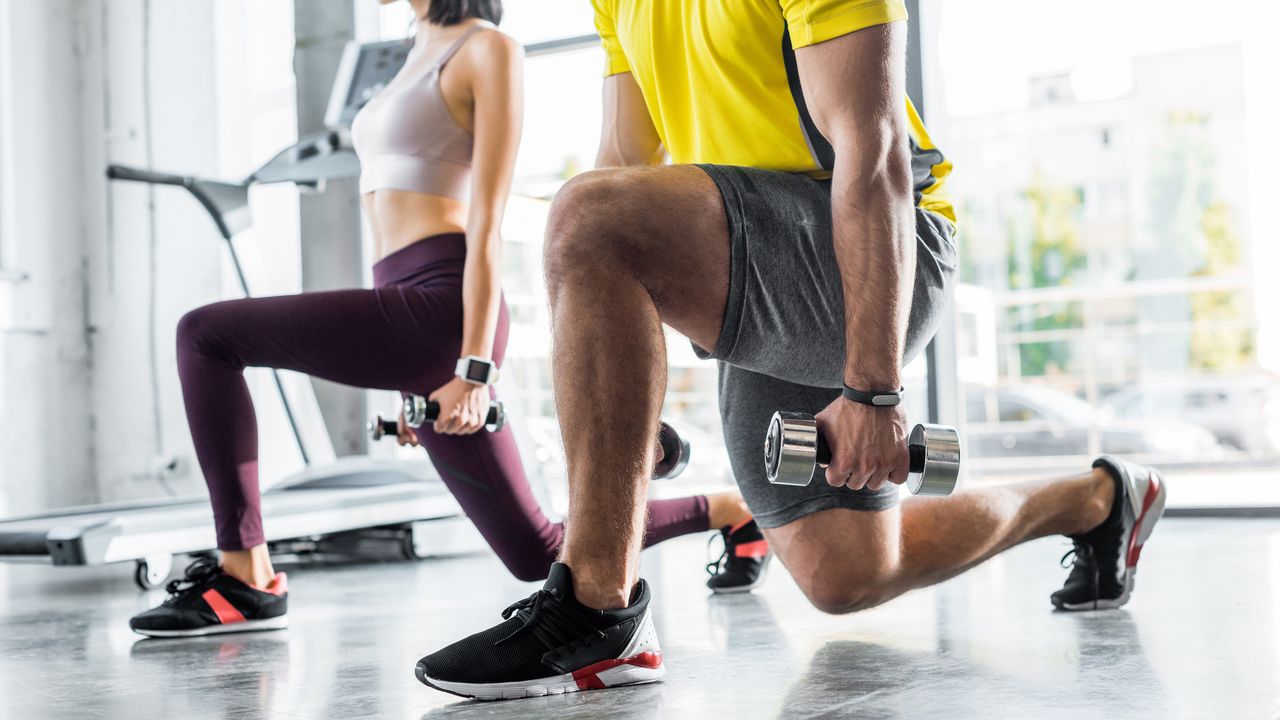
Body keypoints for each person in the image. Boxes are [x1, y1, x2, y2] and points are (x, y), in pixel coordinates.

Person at [413, 0, 1168, 700]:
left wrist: (875, 392)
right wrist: (618, 398)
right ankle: (1100, 500)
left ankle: (595, 617)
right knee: (844, 574)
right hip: (749, 243)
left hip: (877, 248)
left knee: (585, 212)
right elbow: (627, 163)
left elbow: (872, 154)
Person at [128, 0, 760, 640]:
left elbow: (486, 222)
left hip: (441, 306)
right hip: (403, 310)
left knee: (206, 336)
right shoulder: (410, 55)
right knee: (536, 553)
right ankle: (733, 509)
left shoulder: (488, 49)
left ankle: (246, 577)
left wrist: (474, 368)